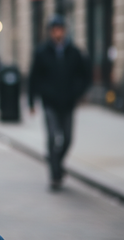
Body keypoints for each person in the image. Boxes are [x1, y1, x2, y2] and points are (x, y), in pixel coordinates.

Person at [29, 15, 91, 191]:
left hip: (69, 102)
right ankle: (55, 174)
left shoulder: (74, 52)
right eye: (54, 29)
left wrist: (79, 93)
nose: (58, 33)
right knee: (52, 138)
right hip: (49, 102)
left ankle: (55, 161)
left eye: (60, 29)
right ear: (50, 32)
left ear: (64, 31)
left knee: (67, 138)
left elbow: (85, 75)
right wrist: (31, 102)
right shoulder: (42, 52)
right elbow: (34, 78)